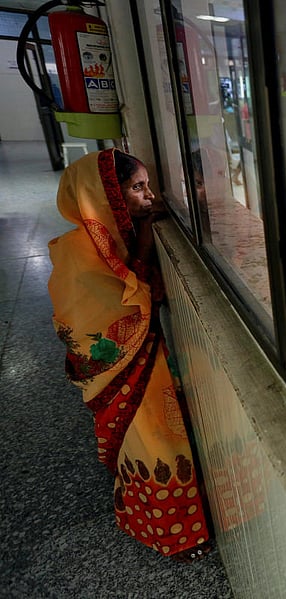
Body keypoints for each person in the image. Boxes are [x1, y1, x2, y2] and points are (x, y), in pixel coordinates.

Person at [48, 149, 212, 561]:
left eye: (147, 186)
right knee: (153, 440)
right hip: (123, 367)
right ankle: (174, 534)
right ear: (105, 196)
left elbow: (140, 288)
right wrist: (141, 247)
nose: (149, 196)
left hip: (144, 356)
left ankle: (176, 521)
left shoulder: (113, 238)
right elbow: (114, 309)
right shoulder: (79, 254)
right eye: (137, 188)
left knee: (160, 435)